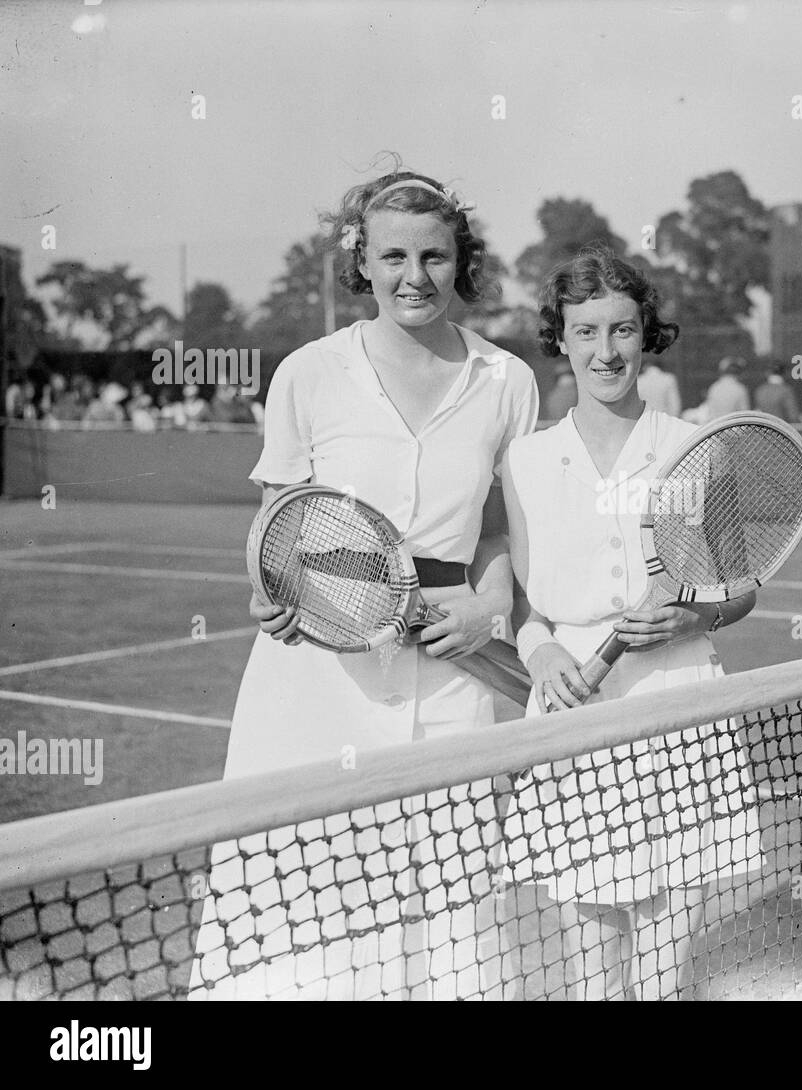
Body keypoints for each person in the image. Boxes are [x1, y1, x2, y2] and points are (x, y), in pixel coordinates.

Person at [188, 169, 539, 1002]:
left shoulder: (508, 380)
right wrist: (269, 589)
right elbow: (281, 520)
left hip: (452, 673)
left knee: (451, 910)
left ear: (462, 263)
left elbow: (504, 529)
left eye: (434, 256)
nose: (414, 276)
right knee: (304, 900)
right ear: (362, 261)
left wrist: (491, 606)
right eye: (393, 255)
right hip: (316, 677)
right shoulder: (309, 372)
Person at [501, 246, 764, 1000]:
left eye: (621, 330)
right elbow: (524, 603)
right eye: (586, 332)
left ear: (646, 334)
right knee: (592, 977)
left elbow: (740, 589)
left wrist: (688, 620)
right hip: (573, 712)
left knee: (662, 973)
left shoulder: (693, 446)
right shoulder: (524, 460)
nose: (605, 351)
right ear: (561, 338)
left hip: (677, 705)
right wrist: (542, 648)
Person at [693, 355, 750, 422]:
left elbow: (709, 413)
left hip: (716, 428)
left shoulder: (714, 387)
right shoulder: (740, 389)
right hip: (733, 429)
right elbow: (745, 415)